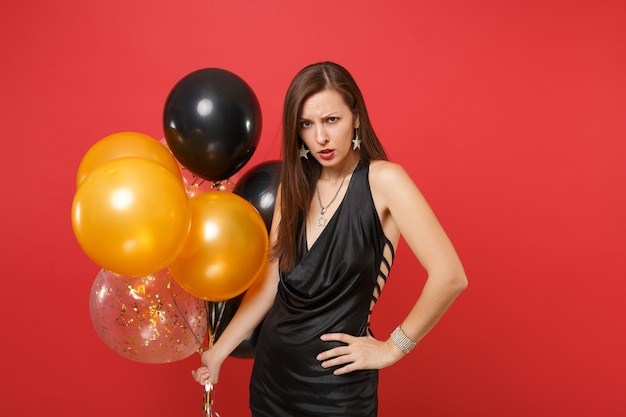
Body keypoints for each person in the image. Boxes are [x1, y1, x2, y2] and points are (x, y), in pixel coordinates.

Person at [192, 61, 468, 416]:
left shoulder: (385, 180)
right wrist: (218, 352)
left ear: (355, 117)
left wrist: (392, 348)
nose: (320, 137)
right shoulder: (294, 188)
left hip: (338, 392)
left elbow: (450, 276)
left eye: (331, 120)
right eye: (307, 124)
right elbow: (268, 285)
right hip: (272, 382)